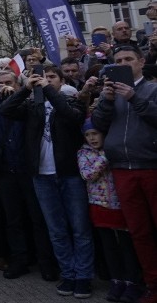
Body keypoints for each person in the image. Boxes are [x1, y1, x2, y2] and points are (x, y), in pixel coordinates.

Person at [0, 65, 93, 299]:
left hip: (69, 174)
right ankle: (68, 274)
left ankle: (83, 276)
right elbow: (6, 109)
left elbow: (73, 118)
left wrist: (49, 91)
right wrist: (25, 89)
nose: (45, 80)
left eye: (51, 77)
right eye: (42, 77)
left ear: (62, 81)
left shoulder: (73, 101)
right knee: (56, 230)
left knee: (79, 229)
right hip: (42, 175)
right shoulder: (33, 106)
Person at [0, 71, 58, 281]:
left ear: (18, 84)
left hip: (29, 168)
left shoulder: (28, 104)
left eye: (9, 83)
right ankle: (19, 260)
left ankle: (45, 262)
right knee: (12, 219)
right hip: (5, 170)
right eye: (1, 84)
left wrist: (20, 94)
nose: (5, 87)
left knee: (37, 218)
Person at [92, 45, 157, 303]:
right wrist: (107, 101)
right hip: (122, 169)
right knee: (139, 232)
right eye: (118, 61)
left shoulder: (152, 89)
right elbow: (97, 124)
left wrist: (133, 98)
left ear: (141, 62)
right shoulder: (111, 94)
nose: (124, 63)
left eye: (128, 59)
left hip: (151, 166)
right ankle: (152, 284)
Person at [78, 119, 142, 303]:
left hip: (120, 204)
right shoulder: (84, 153)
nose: (92, 138)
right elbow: (87, 174)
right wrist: (105, 156)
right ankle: (116, 280)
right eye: (88, 135)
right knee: (109, 246)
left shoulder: (119, 150)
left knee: (127, 245)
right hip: (99, 205)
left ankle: (132, 281)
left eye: (95, 134)